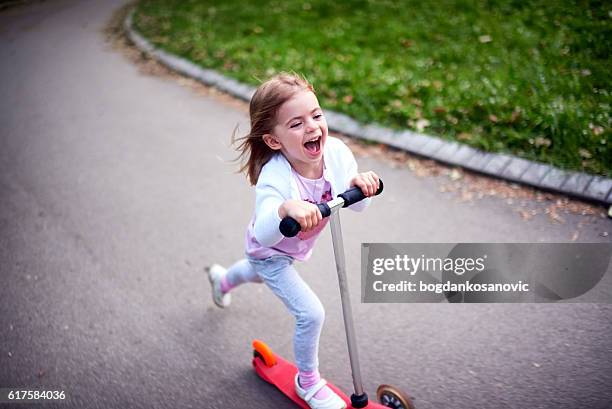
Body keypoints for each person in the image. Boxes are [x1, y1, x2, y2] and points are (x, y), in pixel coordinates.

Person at [207, 72, 379, 409]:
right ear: (274, 140)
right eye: (296, 124)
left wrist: (362, 185)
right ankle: (308, 383)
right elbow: (264, 231)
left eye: (316, 115)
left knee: (250, 273)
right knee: (310, 313)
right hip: (269, 251)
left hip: (291, 251)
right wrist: (286, 207)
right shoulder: (276, 173)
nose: (313, 127)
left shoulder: (336, 152)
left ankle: (222, 280)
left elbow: (356, 205)